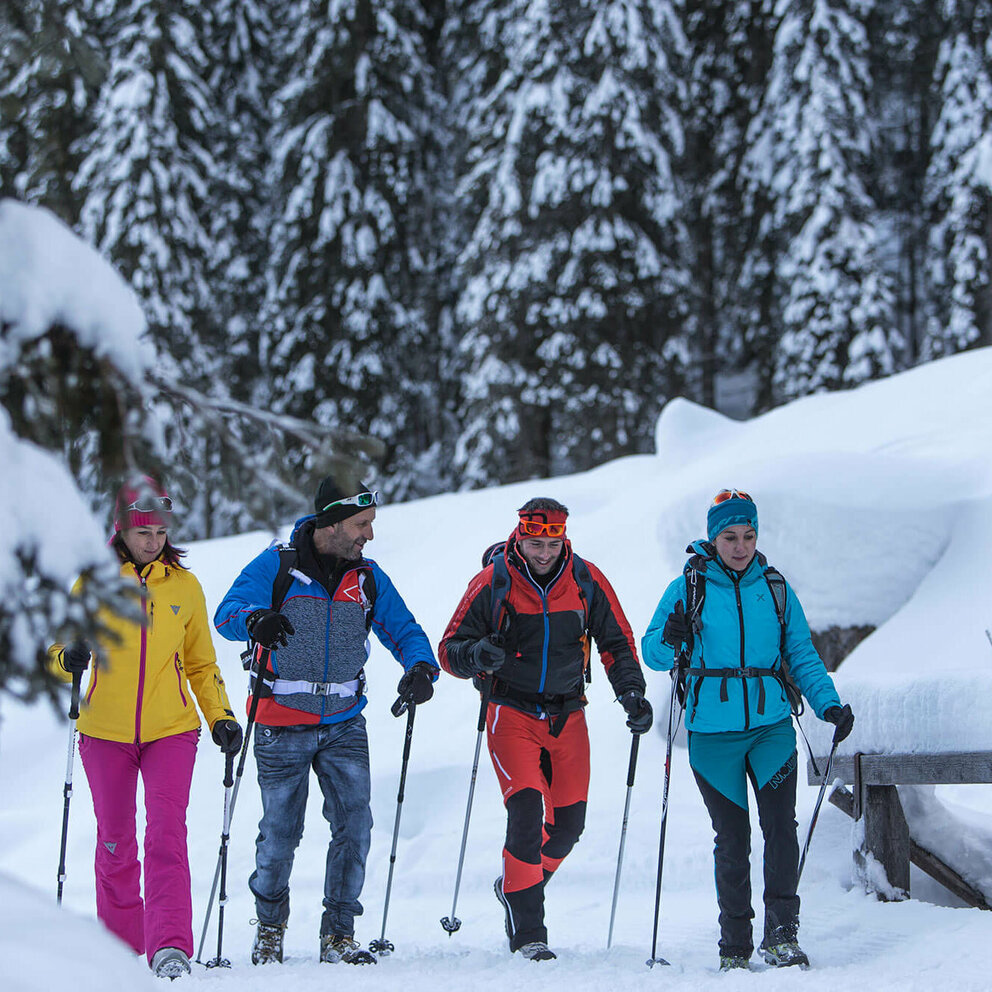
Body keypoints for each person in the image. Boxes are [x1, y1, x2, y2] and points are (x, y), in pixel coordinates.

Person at [213, 470, 438, 967]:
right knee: (280, 832)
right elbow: (227, 612)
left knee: (355, 825)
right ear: (331, 522)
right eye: (362, 523)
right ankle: (269, 929)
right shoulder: (279, 565)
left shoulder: (368, 577)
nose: (369, 534)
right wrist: (255, 620)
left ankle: (339, 933)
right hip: (280, 719)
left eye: (371, 523)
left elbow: (403, 629)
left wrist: (421, 667)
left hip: (343, 721)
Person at [642, 489, 855, 972]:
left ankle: (781, 936)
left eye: (749, 535)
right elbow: (652, 652)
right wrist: (669, 638)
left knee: (781, 827)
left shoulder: (775, 588)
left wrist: (829, 704)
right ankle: (734, 945)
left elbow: (801, 652)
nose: (740, 546)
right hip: (712, 736)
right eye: (730, 536)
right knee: (732, 838)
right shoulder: (687, 588)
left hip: (772, 728)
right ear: (714, 538)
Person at [439, 497, 652, 961]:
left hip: (567, 714)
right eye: (534, 543)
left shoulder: (585, 580)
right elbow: (449, 648)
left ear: (563, 538)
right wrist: (476, 656)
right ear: (520, 535)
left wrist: (631, 693)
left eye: (550, 544)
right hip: (510, 713)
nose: (542, 553)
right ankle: (529, 934)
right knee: (526, 812)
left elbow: (616, 641)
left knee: (568, 825)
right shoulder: (493, 582)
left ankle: (516, 889)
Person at [51, 476, 242, 980]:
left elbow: (201, 664)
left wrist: (220, 716)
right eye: (143, 533)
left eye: (160, 531)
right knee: (115, 841)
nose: (153, 541)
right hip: (104, 732)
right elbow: (55, 655)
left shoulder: (184, 586)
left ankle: (170, 947)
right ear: (121, 530)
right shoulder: (91, 584)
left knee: (165, 836)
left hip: (171, 730)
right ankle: (119, 949)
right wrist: (68, 658)